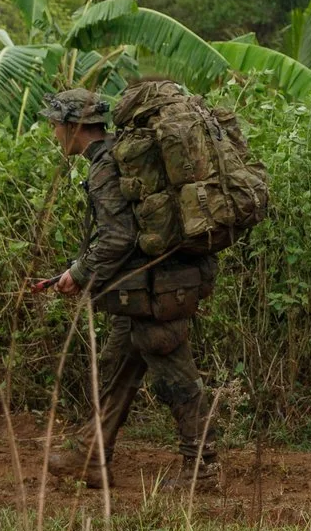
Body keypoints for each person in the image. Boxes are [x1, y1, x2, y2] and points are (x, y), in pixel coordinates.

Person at [34, 84, 222, 493]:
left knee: (177, 379)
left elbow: (117, 237)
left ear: (74, 126)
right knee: (117, 370)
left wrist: (80, 274)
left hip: (156, 291)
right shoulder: (123, 155)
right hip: (139, 290)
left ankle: (202, 468)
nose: (53, 135)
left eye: (54, 126)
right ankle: (90, 454)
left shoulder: (107, 166)